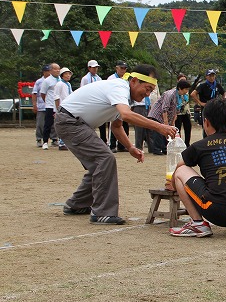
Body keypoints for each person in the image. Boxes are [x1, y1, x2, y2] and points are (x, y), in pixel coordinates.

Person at [55, 64, 178, 225]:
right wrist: (160, 126)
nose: (147, 94)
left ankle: (77, 204)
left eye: (151, 91)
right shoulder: (119, 87)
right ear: (134, 81)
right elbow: (126, 116)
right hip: (70, 122)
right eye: (147, 89)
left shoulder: (124, 95)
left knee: (99, 163)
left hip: (77, 123)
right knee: (104, 159)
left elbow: (117, 126)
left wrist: (130, 147)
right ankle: (102, 213)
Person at [168, 98, 226, 237]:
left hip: (217, 211)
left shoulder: (200, 145)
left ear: (206, 122)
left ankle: (197, 224)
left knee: (180, 171)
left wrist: (173, 184)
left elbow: (179, 167)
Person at [147, 80, 191, 155]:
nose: (186, 91)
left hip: (169, 115)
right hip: (158, 114)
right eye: (185, 89)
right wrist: (166, 122)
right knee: (158, 132)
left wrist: (173, 121)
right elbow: (164, 108)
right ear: (180, 88)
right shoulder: (170, 94)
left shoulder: (180, 96)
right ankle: (157, 149)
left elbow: (176, 109)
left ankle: (164, 148)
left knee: (166, 132)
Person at [191, 69, 225, 138]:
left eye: (213, 76)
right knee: (206, 125)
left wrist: (222, 101)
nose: (212, 78)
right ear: (206, 77)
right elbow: (193, 94)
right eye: (210, 76)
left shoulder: (217, 85)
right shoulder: (202, 85)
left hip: (215, 107)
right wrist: (200, 103)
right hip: (206, 108)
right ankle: (206, 140)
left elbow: (224, 93)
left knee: (216, 125)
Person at [80, 59, 107, 143]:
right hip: (89, 102)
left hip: (98, 103)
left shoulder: (99, 78)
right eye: (93, 67)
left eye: (96, 67)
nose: (95, 69)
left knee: (102, 123)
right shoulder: (85, 79)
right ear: (89, 68)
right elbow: (82, 91)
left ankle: (104, 140)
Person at [31, 64, 57, 147]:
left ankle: (54, 138)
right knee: (40, 124)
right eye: (46, 71)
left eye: (49, 71)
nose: (48, 72)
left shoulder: (56, 80)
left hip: (52, 105)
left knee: (53, 124)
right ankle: (39, 138)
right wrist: (35, 104)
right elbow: (35, 93)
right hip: (42, 106)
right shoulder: (39, 81)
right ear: (43, 72)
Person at [108, 60, 130, 153]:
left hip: (124, 103)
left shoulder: (126, 78)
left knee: (124, 125)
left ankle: (122, 145)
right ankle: (112, 145)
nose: (123, 70)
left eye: (125, 68)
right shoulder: (111, 78)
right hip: (114, 104)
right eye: (121, 68)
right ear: (117, 68)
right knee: (114, 125)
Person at [39, 63, 61, 150]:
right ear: (51, 70)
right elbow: (43, 93)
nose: (58, 71)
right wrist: (47, 102)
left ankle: (59, 141)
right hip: (50, 105)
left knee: (59, 124)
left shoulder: (60, 80)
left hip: (59, 105)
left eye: (59, 69)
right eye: (55, 69)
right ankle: (45, 142)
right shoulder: (47, 81)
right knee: (48, 124)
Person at [53, 67, 74, 151]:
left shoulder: (68, 84)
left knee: (68, 125)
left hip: (68, 107)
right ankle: (62, 143)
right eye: (66, 74)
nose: (68, 75)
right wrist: (58, 108)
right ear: (62, 75)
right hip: (62, 107)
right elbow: (56, 97)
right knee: (63, 125)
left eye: (69, 74)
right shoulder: (59, 84)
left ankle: (66, 142)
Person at [174, 73, 192, 146]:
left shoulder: (186, 92)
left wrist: (189, 112)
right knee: (178, 129)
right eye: (181, 80)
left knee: (188, 128)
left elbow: (187, 103)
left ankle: (187, 143)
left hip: (186, 112)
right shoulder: (175, 91)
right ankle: (179, 144)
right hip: (178, 113)